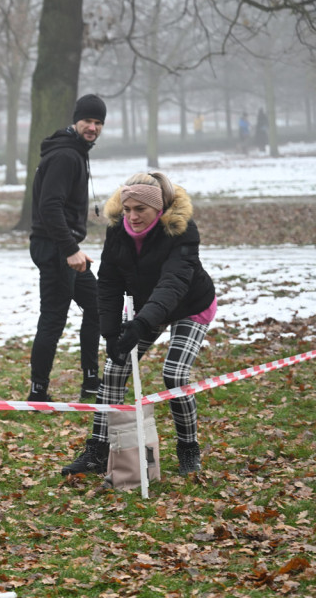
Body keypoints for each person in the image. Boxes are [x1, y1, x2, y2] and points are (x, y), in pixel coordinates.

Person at [61, 171, 216, 477]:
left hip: (191, 305)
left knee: (175, 375)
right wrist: (110, 332)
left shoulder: (181, 229)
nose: (132, 217)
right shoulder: (118, 230)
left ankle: (189, 449)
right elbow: (109, 282)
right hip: (146, 305)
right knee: (114, 370)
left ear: (158, 208)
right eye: (127, 208)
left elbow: (173, 283)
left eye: (140, 209)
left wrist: (141, 325)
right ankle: (97, 451)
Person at [27, 94, 106, 403]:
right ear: (76, 120)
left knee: (97, 305)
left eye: (98, 123)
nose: (93, 128)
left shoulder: (75, 151)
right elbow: (50, 207)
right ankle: (38, 392)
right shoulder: (66, 156)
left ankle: (91, 381)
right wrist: (70, 249)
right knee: (53, 319)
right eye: (88, 121)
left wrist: (73, 247)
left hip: (63, 247)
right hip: (56, 249)